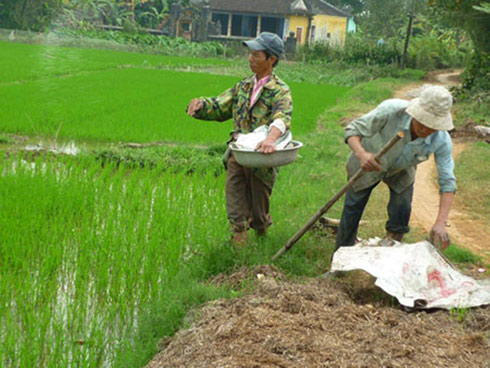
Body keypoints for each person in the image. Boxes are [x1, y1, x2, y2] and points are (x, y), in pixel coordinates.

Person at [186, 32, 293, 246]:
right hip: (238, 155)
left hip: (262, 159)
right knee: (236, 212)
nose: (250, 58)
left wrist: (270, 139)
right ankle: (238, 257)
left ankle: (262, 247)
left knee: (259, 213)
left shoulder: (280, 90)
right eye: (250, 54)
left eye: (256, 55)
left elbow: (282, 118)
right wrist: (201, 105)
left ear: (271, 59)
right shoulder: (243, 87)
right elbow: (220, 105)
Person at [336, 85, 456, 251]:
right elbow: (352, 130)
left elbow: (448, 182)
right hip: (368, 163)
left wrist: (440, 223)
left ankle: (390, 250)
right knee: (352, 210)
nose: (425, 129)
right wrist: (362, 154)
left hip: (402, 170)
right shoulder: (390, 110)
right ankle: (340, 260)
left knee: (402, 209)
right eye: (422, 122)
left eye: (432, 126)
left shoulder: (441, 140)